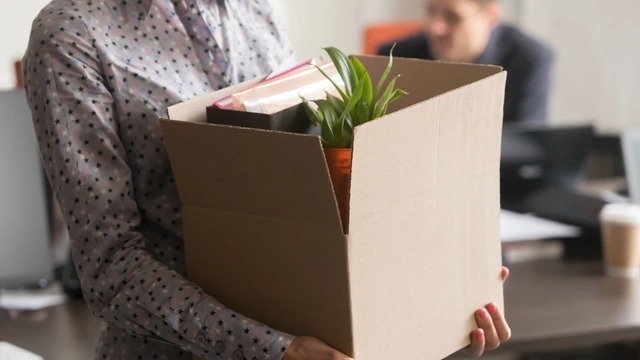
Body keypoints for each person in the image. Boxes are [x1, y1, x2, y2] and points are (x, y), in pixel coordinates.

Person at [21, 0, 511, 359]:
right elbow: (111, 270)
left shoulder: (258, 10)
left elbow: (303, 200)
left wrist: (439, 297)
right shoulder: (72, 32)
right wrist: (276, 350)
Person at [379, 0, 554, 124]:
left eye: (453, 17)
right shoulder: (397, 56)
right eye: (431, 11)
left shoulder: (529, 59)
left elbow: (526, 149)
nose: (435, 28)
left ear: (491, 16)